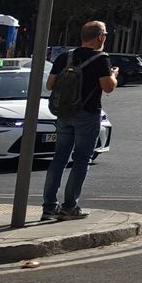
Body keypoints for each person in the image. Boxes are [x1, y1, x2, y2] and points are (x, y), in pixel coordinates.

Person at [40, 21, 118, 223]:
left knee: (59, 157)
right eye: (105, 34)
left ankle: (49, 207)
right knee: (82, 159)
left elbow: (49, 85)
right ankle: (69, 207)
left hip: (64, 113)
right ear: (100, 36)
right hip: (87, 113)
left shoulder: (66, 56)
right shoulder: (101, 58)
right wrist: (113, 75)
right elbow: (108, 88)